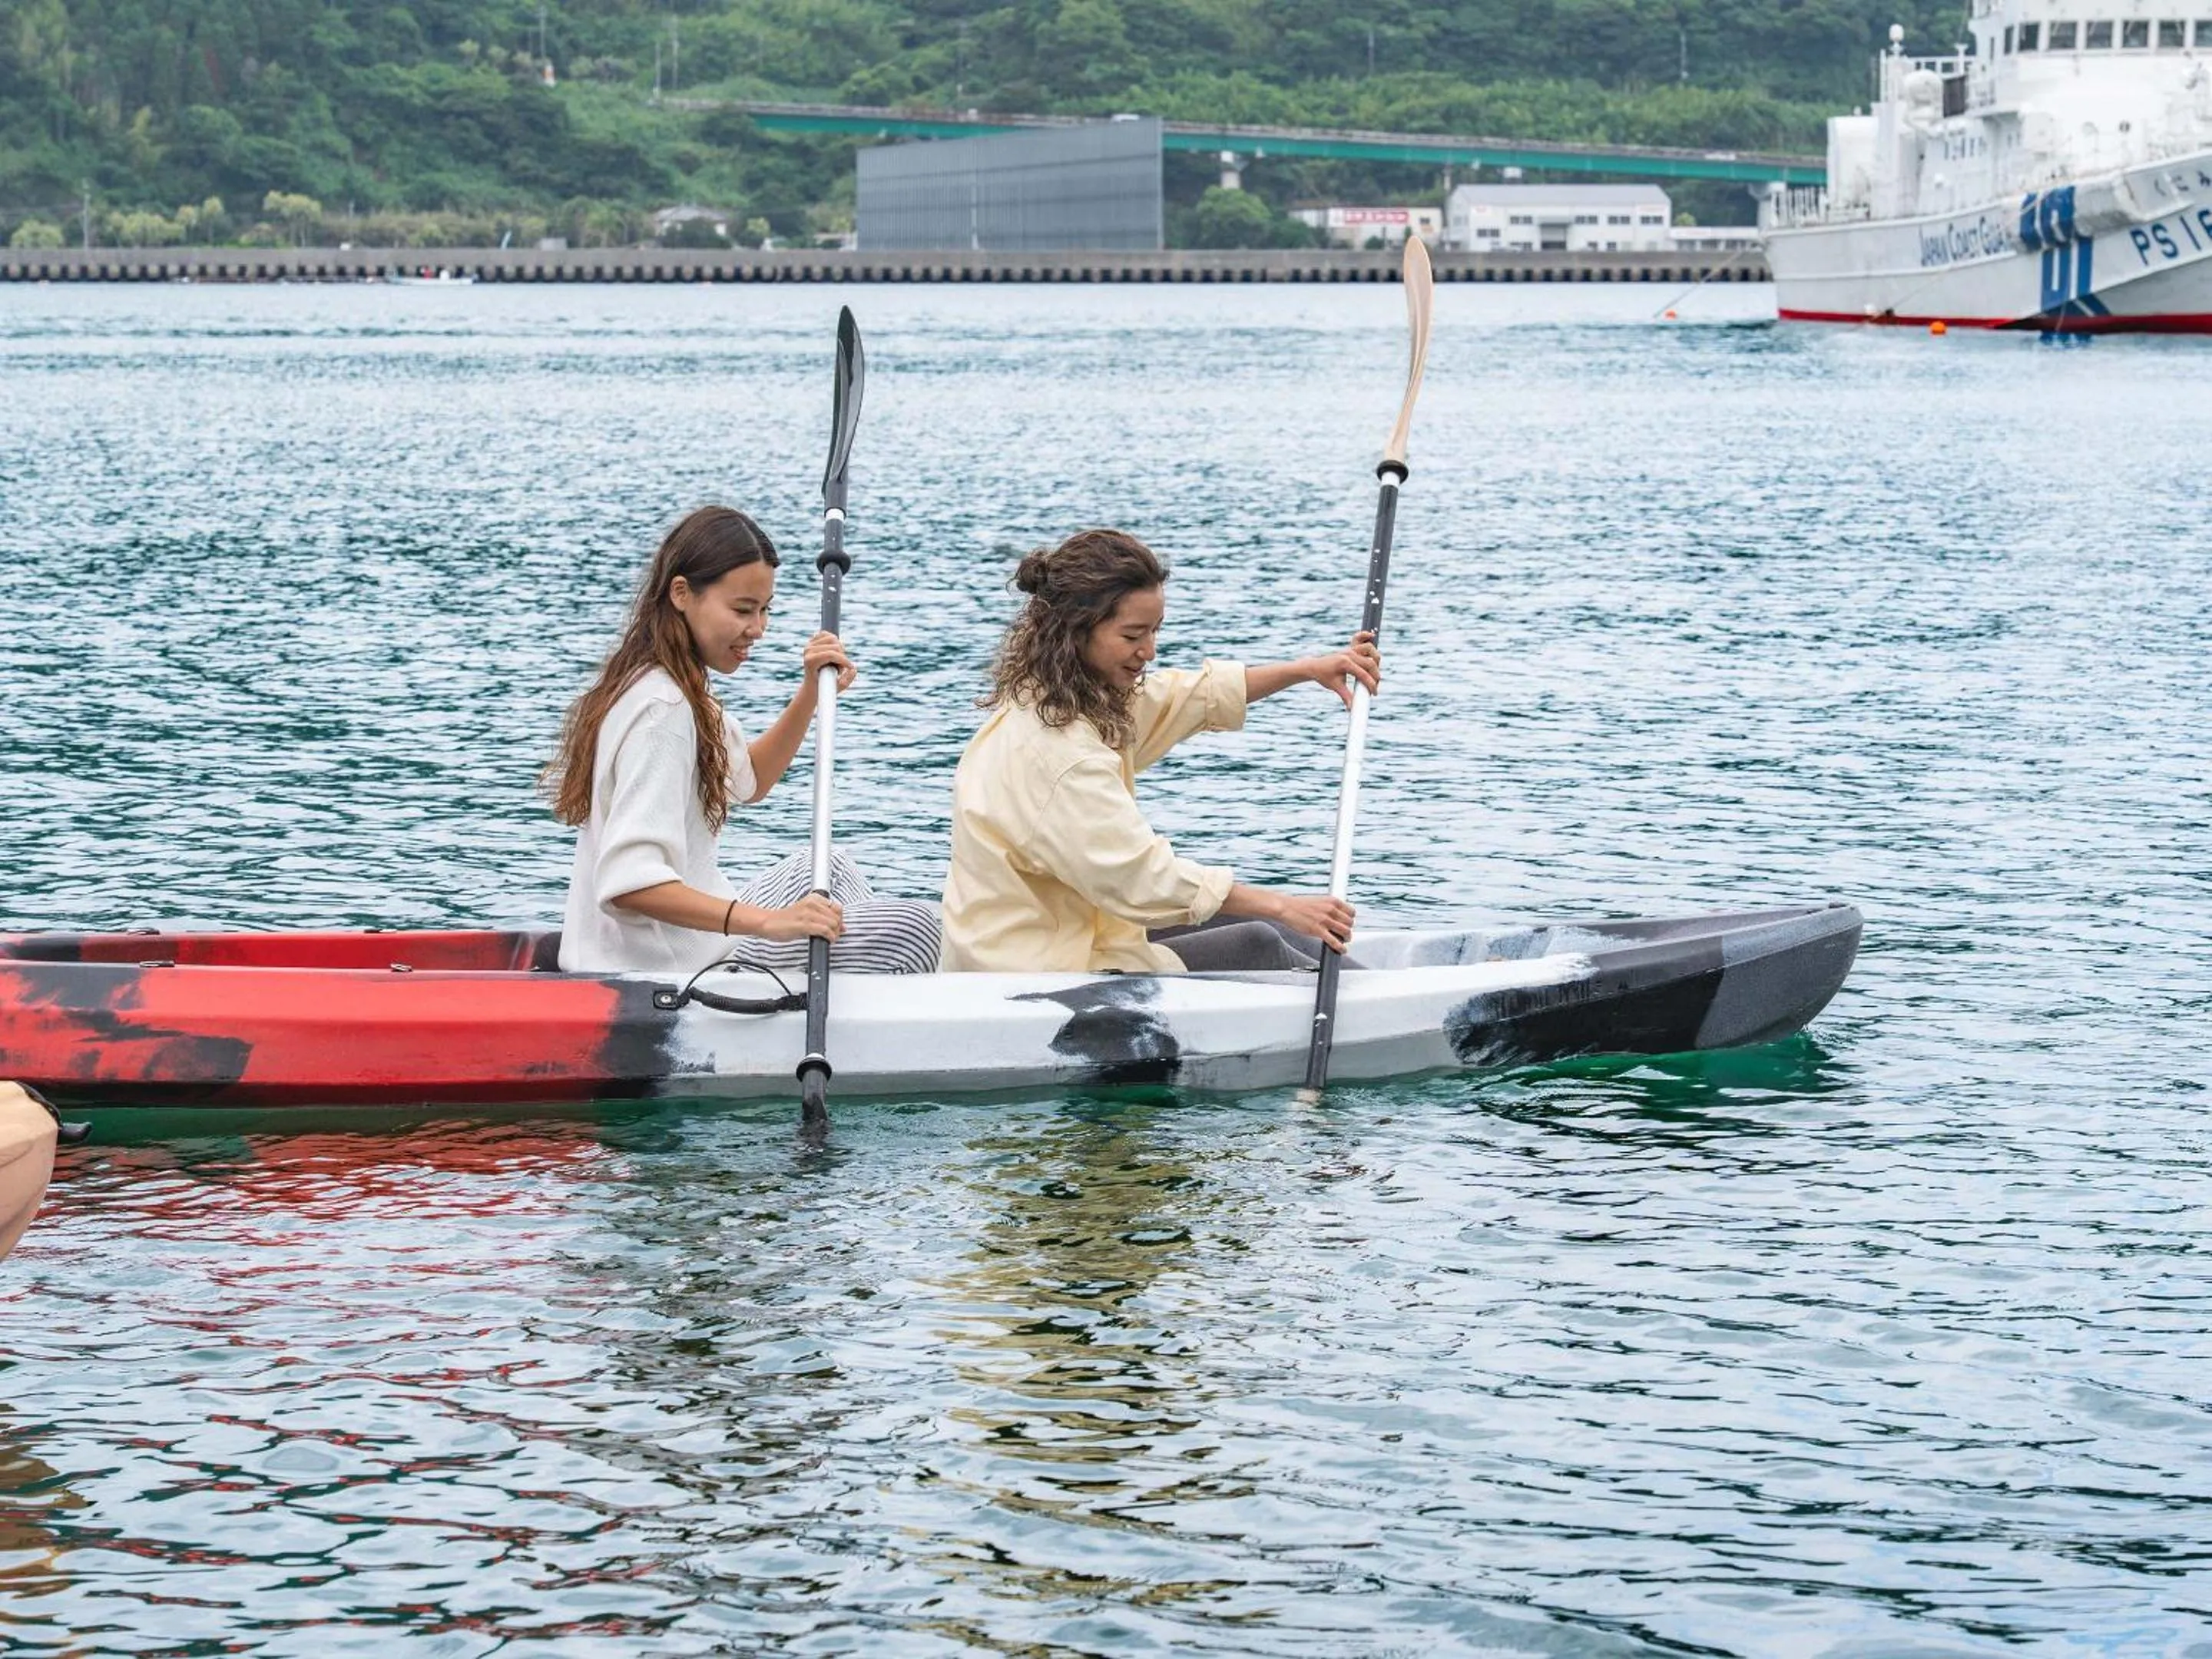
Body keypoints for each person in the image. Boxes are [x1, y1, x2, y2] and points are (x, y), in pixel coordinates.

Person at [941, 528, 1381, 975]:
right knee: (1257, 940)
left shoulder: (1069, 701)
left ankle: (1377, 998)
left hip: (1081, 935)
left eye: (1154, 631)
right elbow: (1140, 876)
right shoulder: (1057, 754)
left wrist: (1306, 670)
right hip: (1035, 973)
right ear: (1074, 630)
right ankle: (1387, 1018)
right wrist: (1283, 905)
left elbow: (1184, 697)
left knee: (1256, 920)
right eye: (1134, 635)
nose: (1149, 651)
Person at [548, 505, 939, 978]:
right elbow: (630, 884)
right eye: (742, 610)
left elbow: (749, 782)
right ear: (681, 594)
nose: (758, 629)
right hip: (655, 972)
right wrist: (769, 924)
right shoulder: (663, 712)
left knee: (829, 867)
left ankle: (843, 978)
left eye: (765, 609)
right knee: (916, 929)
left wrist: (811, 691)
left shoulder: (672, 683)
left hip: (676, 946)